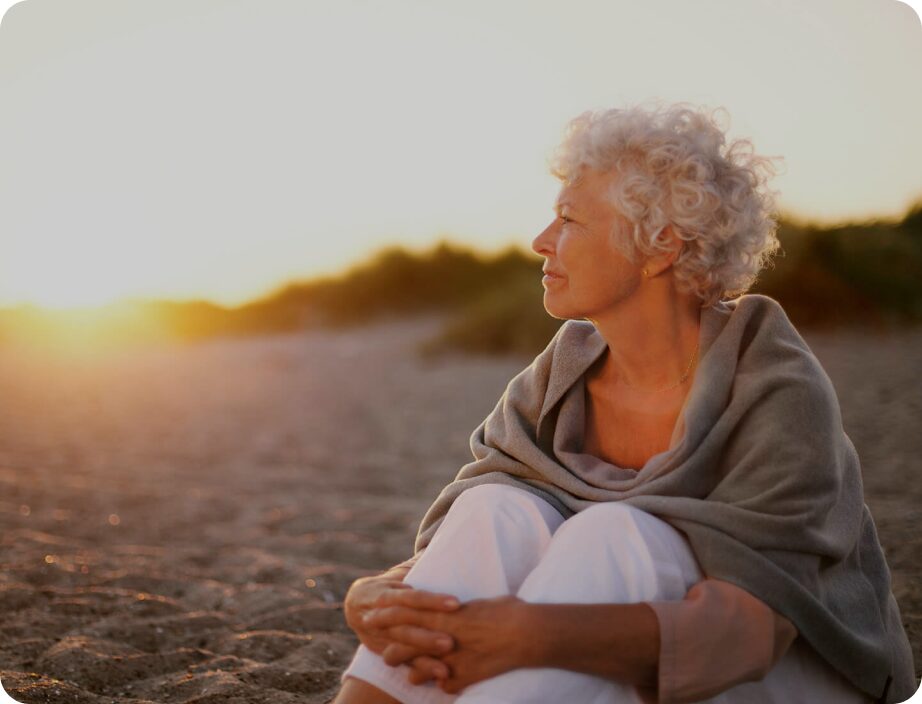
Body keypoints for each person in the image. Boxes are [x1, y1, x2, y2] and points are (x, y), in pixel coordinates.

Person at [333, 104, 916, 704]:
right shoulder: (558, 379)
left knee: (613, 533)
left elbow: (751, 631)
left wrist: (529, 636)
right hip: (619, 645)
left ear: (659, 244)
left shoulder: (772, 385)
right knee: (494, 508)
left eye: (568, 219)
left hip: (789, 667)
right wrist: (380, 593)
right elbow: (467, 546)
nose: (541, 241)